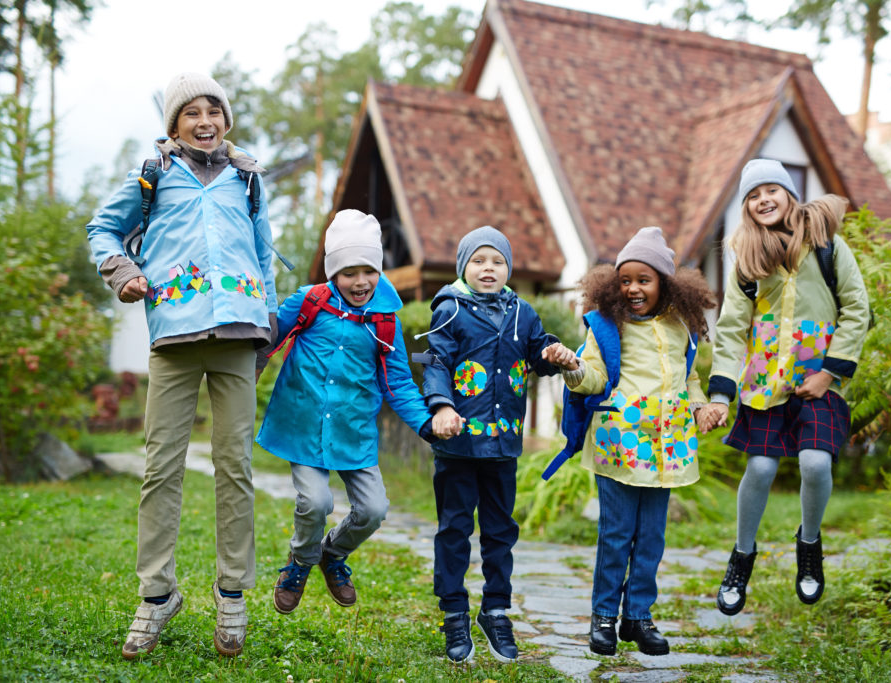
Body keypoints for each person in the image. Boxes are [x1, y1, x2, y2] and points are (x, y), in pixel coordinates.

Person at [86, 73, 278, 658]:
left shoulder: (246, 178)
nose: (204, 121)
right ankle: (156, 595)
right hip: (173, 332)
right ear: (174, 125)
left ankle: (232, 592)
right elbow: (103, 228)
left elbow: (264, 251)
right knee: (161, 467)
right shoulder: (154, 175)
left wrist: (268, 321)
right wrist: (123, 273)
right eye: (191, 112)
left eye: (213, 111)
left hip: (238, 332)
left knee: (235, 465)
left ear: (225, 119)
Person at [258, 209, 462, 620]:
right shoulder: (309, 301)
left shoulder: (385, 321)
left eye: (368, 270)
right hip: (304, 426)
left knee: (373, 510)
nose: (360, 281)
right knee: (315, 503)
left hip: (353, 432)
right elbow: (263, 336)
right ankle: (300, 562)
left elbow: (399, 383)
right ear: (334, 272)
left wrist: (426, 422)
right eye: (348, 272)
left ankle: (331, 554)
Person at [697, 159, 870, 616]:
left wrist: (829, 373)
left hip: (819, 382)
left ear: (789, 193)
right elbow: (733, 328)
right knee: (760, 471)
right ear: (747, 208)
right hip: (764, 385)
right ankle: (741, 556)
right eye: (753, 196)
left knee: (815, 464)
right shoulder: (747, 260)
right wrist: (719, 395)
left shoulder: (829, 246)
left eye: (771, 189)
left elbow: (857, 309)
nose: (763, 200)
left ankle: (809, 548)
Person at [542, 226, 716, 657]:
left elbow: (689, 377)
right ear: (613, 286)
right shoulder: (605, 327)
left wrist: (700, 407)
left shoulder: (681, 326)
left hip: (668, 449)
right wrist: (572, 368)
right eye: (626, 280)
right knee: (616, 535)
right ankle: (603, 618)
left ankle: (638, 617)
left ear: (665, 282)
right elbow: (595, 376)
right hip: (619, 444)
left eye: (644, 279)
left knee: (652, 537)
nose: (634, 288)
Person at [418, 226, 561, 663]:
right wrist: (440, 406)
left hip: (503, 445)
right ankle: (454, 613)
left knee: (500, 532)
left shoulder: (523, 313)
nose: (488, 268)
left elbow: (538, 351)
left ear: (508, 269)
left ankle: (496, 609)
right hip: (458, 445)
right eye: (479, 260)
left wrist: (554, 352)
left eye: (497, 261)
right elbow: (437, 361)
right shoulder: (450, 308)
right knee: (455, 529)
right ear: (464, 266)